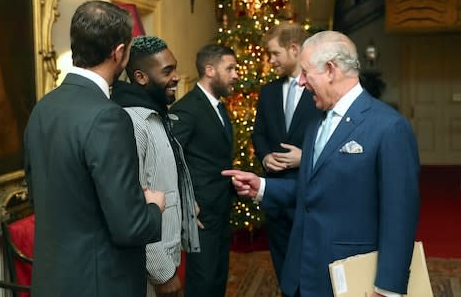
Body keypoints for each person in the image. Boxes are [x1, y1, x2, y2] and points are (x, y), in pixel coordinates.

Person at [222, 30, 420, 297]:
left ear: (330, 70)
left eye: (306, 73)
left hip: (352, 275)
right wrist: (263, 188)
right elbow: (312, 190)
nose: (301, 82)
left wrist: (387, 288)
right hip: (303, 271)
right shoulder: (316, 123)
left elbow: (400, 215)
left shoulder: (389, 127)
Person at [23, 1, 165, 297]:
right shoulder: (108, 117)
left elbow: (46, 195)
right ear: (119, 53)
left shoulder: (43, 108)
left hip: (54, 281)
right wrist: (154, 206)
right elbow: (131, 227)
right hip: (100, 283)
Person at [110, 35, 200, 297]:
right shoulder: (132, 122)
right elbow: (133, 202)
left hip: (167, 255)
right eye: (167, 71)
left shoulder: (156, 113)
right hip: (149, 269)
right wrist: (163, 273)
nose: (176, 77)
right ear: (140, 77)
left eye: (175, 67)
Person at [251, 21, 322, 282]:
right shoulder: (268, 92)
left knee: (310, 265)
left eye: (274, 53)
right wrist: (265, 156)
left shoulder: (319, 90)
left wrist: (304, 158)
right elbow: (258, 133)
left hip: (309, 192)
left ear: (294, 49)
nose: (270, 60)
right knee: (282, 265)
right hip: (275, 196)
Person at [169, 44, 238, 297]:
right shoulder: (187, 108)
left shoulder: (218, 107)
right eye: (229, 68)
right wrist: (184, 202)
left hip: (220, 209)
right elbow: (167, 157)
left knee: (217, 279)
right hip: (200, 215)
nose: (236, 74)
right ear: (209, 70)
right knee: (202, 283)